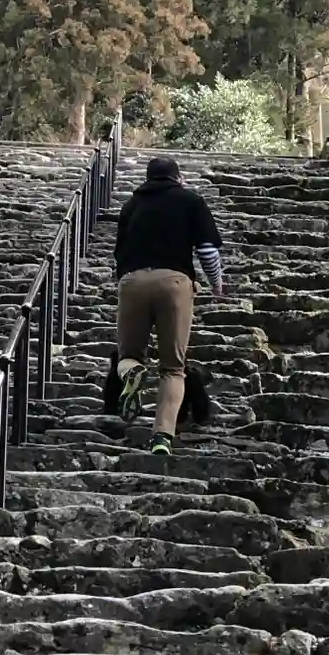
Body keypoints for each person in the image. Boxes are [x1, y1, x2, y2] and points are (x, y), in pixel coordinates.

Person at [114, 155, 224, 456]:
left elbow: (119, 253)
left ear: (148, 179)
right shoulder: (190, 200)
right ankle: (162, 436)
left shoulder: (131, 205)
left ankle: (132, 374)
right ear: (178, 178)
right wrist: (216, 284)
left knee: (129, 356)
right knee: (173, 368)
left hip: (132, 281)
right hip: (175, 283)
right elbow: (207, 250)